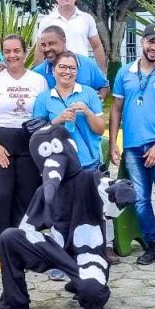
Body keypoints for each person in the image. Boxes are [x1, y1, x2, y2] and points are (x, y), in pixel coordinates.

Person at [0, 125, 135, 309]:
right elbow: (26, 230)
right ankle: (15, 300)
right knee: (8, 237)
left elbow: (112, 190)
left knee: (93, 297)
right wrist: (26, 248)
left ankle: (82, 281)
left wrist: (121, 191)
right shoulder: (44, 191)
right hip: (57, 252)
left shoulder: (91, 179)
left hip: (87, 252)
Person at [108, 24, 155, 272]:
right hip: (132, 146)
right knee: (140, 200)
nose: (154, 47)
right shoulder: (125, 72)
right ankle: (153, 245)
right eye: (151, 41)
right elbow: (116, 109)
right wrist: (113, 143)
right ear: (143, 42)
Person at [32, 51, 111, 267]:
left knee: (92, 213)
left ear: (77, 71)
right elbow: (37, 135)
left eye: (72, 68)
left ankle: (95, 256)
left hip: (87, 163)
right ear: (54, 70)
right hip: (59, 166)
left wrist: (87, 112)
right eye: (62, 67)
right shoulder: (44, 98)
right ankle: (61, 260)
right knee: (60, 215)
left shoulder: (88, 94)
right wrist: (57, 120)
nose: (67, 71)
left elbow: (99, 128)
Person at [0, 34, 48, 273]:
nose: (11, 55)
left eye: (16, 50)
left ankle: (22, 246)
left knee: (26, 195)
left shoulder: (38, 80)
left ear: (25, 51)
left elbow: (43, 114)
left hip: (29, 141)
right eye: (7, 51)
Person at [34, 0, 108, 72]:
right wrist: (38, 76)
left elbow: (97, 46)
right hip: (56, 72)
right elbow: (40, 50)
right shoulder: (47, 21)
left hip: (81, 70)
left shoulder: (87, 19)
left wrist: (102, 73)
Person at [32, 26, 109, 99]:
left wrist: (96, 103)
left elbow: (104, 86)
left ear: (64, 41)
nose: (47, 49)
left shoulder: (88, 64)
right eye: (43, 45)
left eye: (51, 43)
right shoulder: (37, 73)